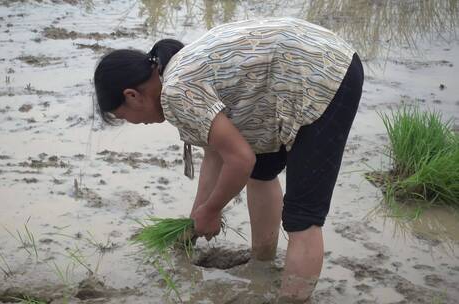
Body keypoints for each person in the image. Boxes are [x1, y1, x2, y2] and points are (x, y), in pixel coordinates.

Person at [93, 17, 364, 301]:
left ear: (132, 95)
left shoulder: (175, 92)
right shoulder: (171, 72)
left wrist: (211, 210)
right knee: (261, 173)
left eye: (125, 117)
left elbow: (240, 159)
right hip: (292, 73)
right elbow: (216, 156)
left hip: (323, 73)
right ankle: (262, 265)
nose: (137, 124)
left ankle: (292, 299)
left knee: (302, 217)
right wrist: (194, 224)